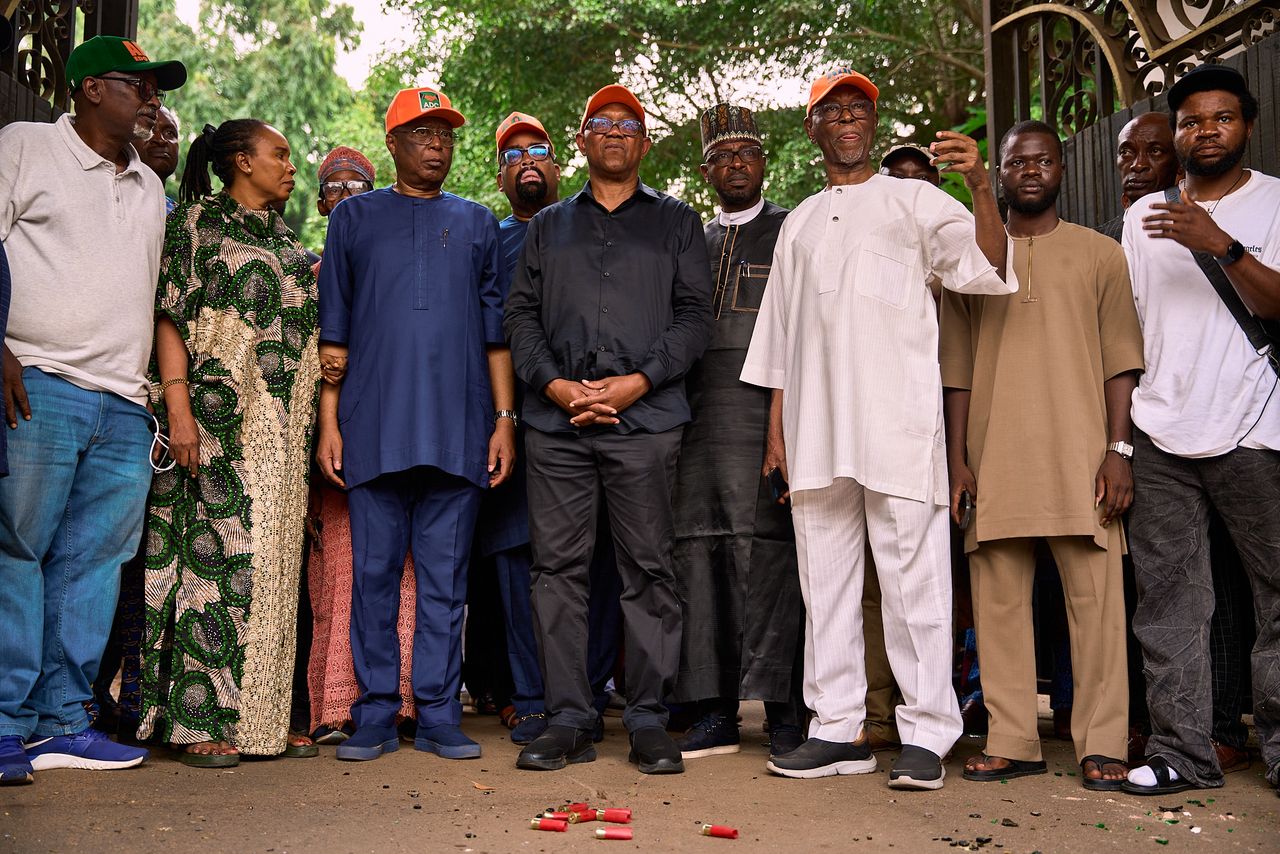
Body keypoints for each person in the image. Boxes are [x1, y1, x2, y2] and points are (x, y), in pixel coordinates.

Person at [741, 67, 1015, 789]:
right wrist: (777, 432)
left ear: (873, 119)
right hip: (816, 430)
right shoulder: (798, 221)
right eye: (831, 110)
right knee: (824, 587)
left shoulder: (917, 199)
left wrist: (982, 186)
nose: (847, 118)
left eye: (857, 107)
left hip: (896, 425)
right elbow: (779, 340)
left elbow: (987, 266)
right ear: (813, 129)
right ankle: (837, 729)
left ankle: (928, 732)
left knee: (913, 586)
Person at [505, 83, 714, 775]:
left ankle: (649, 718)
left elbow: (693, 320)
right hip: (558, 425)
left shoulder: (678, 223)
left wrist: (636, 382)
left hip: (647, 421)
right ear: (584, 141)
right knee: (557, 570)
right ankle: (569, 716)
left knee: (649, 568)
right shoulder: (547, 227)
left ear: (644, 143)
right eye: (602, 122)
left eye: (630, 124)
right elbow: (522, 319)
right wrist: (560, 388)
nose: (616, 132)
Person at [0, 35, 185, 785]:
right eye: (134, 85)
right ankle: (5, 724)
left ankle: (62, 724)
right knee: (18, 551)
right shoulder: (25, 146)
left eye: (154, 89)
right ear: (85, 89)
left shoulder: (147, 186)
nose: (150, 100)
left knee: (93, 568)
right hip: (36, 381)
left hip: (122, 403)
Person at [940, 120, 1144, 790]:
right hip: (995, 455)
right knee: (997, 603)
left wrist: (1118, 450)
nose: (1031, 170)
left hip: (1081, 453)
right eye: (1016, 162)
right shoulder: (971, 260)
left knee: (1097, 604)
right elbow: (958, 369)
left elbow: (1121, 362)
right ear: (999, 174)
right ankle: (1012, 738)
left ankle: (1102, 741)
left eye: (1043, 160)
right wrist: (959, 460)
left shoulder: (1099, 255)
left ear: (1061, 169)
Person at [316, 86, 514, 763]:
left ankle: (435, 712)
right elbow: (332, 342)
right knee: (373, 577)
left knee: (444, 582)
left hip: (459, 430)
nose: (438, 144)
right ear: (393, 143)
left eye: (447, 135)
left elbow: (496, 338)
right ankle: (374, 712)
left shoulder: (478, 222)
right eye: (423, 133)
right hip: (373, 429)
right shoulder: (354, 220)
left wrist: (504, 420)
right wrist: (330, 426)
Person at [136, 118, 321, 768]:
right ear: (242, 161)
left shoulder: (291, 242)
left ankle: (262, 717)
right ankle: (197, 722)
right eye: (280, 153)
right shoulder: (197, 224)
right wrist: (178, 408)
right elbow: (169, 314)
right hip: (214, 427)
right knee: (213, 570)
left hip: (281, 434)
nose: (290, 166)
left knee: (271, 573)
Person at [1120, 64, 1280, 797]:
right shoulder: (1141, 214)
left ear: (1246, 124)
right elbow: (1131, 330)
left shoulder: (1275, 202)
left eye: (1220, 118)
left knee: (1276, 593)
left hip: (1252, 426)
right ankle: (1183, 754)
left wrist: (1221, 244)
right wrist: (1121, 439)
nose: (1204, 131)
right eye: (1190, 121)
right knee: (1170, 602)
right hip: (1160, 431)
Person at [1096, 112, 1253, 774]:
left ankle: (1223, 726)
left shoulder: (1227, 220)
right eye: (1126, 152)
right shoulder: (1117, 236)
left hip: (1232, 429)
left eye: (1152, 152)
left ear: (1178, 161)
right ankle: (1165, 731)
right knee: (1164, 590)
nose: (1136, 163)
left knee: (1224, 586)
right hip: (1149, 434)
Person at [669, 103, 806, 761]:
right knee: (701, 558)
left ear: (764, 162)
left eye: (745, 153)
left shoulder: (795, 230)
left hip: (772, 419)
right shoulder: (689, 239)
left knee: (777, 560)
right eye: (721, 156)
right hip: (700, 426)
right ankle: (714, 711)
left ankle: (785, 713)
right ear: (705, 170)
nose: (735, 165)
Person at [485, 111, 624, 746]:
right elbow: (492, 340)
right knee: (520, 560)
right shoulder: (488, 240)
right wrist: (503, 417)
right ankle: (531, 695)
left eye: (538, 148)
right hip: (520, 421)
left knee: (592, 558)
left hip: (595, 421)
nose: (528, 160)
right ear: (501, 174)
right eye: (514, 154)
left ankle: (589, 694)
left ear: (559, 163)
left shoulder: (585, 230)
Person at [302, 146, 410, 746]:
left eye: (358, 186)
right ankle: (339, 707)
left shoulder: (391, 265)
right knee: (344, 573)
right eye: (335, 187)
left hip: (400, 445)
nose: (345, 195)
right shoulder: (309, 275)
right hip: (340, 443)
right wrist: (329, 429)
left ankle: (404, 704)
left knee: (405, 576)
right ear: (321, 204)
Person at [89, 102, 184, 739]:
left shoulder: (173, 212)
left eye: (172, 131)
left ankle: (109, 705)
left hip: (143, 404)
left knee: (117, 556)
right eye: (153, 127)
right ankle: (77, 701)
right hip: (89, 386)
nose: (161, 137)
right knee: (63, 554)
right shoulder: (105, 196)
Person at [1096, 113, 1179, 243]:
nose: (1138, 165)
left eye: (1155, 151)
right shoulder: (1098, 242)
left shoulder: (1202, 227)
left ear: (1179, 162)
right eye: (1126, 152)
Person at [138, 105, 181, 212]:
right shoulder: (110, 202)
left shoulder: (183, 218)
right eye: (149, 130)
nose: (161, 140)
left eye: (169, 133)